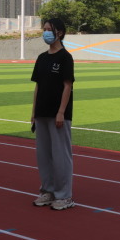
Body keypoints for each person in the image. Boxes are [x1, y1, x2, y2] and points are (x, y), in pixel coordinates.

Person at [30, 18, 75, 211]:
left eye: (50, 29)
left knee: (61, 156)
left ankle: (64, 196)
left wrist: (61, 112)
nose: (46, 32)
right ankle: (47, 191)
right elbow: (38, 87)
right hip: (42, 113)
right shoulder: (42, 58)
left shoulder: (65, 57)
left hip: (58, 114)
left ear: (60, 33)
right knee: (44, 156)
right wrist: (33, 112)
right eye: (45, 29)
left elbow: (67, 86)